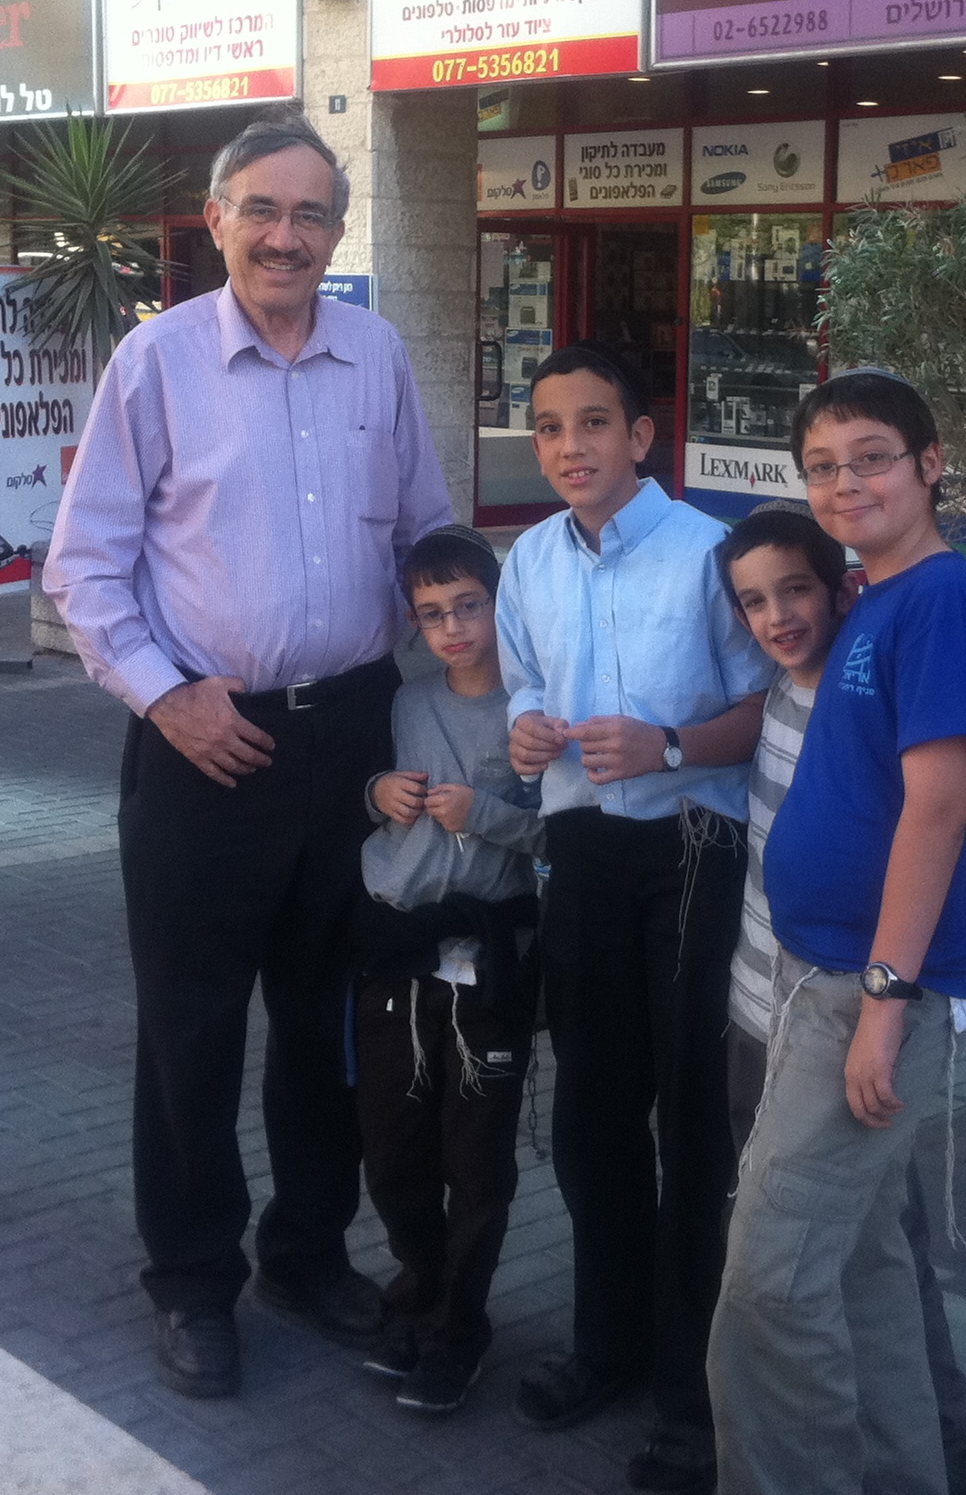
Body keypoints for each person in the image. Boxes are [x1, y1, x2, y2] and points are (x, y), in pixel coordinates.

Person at [43, 109, 452, 1400]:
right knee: (193, 1029)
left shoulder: (377, 355)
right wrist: (169, 699)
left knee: (328, 1025)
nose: (286, 235)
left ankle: (305, 1252)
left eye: (311, 213)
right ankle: (191, 1279)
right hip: (205, 747)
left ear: (338, 231)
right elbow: (84, 567)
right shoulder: (157, 362)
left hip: (358, 744)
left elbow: (430, 537)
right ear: (216, 219)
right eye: (262, 210)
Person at [708, 370, 966, 1495]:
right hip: (817, 980)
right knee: (866, 1268)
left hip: (859, 991)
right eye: (824, 467)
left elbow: (940, 804)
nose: (847, 482)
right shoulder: (871, 600)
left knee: (770, 1283)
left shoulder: (939, 600)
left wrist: (885, 999)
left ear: (931, 465)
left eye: (873, 457)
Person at [494, 342, 771, 1495]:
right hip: (581, 854)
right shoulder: (527, 561)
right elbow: (523, 680)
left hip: (692, 853)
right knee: (591, 1115)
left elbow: (767, 705)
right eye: (550, 427)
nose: (571, 447)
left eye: (595, 422)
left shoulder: (711, 555)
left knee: (693, 1124)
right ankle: (604, 1343)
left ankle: (692, 1393)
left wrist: (667, 744)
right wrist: (523, 727)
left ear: (643, 436)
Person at [353, 526, 543, 1418]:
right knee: (393, 1151)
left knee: (475, 1163)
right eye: (432, 614)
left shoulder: (532, 712)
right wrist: (377, 795)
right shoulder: (408, 701)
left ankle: (459, 1327)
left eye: (468, 606)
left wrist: (489, 814)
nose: (453, 628)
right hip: (398, 956)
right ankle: (418, 1294)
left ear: (501, 604)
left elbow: (556, 834)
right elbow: (376, 802)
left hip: (484, 965)